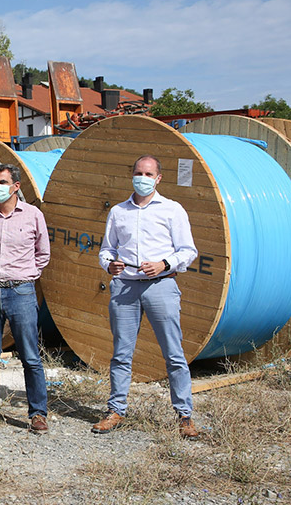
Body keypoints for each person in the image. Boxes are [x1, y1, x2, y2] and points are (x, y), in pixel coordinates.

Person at [94, 155, 200, 438]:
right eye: (138, 172)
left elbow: (188, 251)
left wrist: (164, 264)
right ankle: (116, 410)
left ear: (158, 178)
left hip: (161, 286)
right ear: (132, 174)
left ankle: (185, 415)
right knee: (121, 354)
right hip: (125, 287)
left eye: (148, 173)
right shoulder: (118, 212)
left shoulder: (172, 210)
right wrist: (110, 264)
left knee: (173, 353)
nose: (142, 177)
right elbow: (106, 249)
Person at [0, 164, 51, 434]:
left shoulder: (33, 215)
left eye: (3, 182)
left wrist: (25, 277)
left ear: (16, 186)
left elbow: (43, 253)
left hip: (20, 291)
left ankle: (38, 413)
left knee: (30, 356)